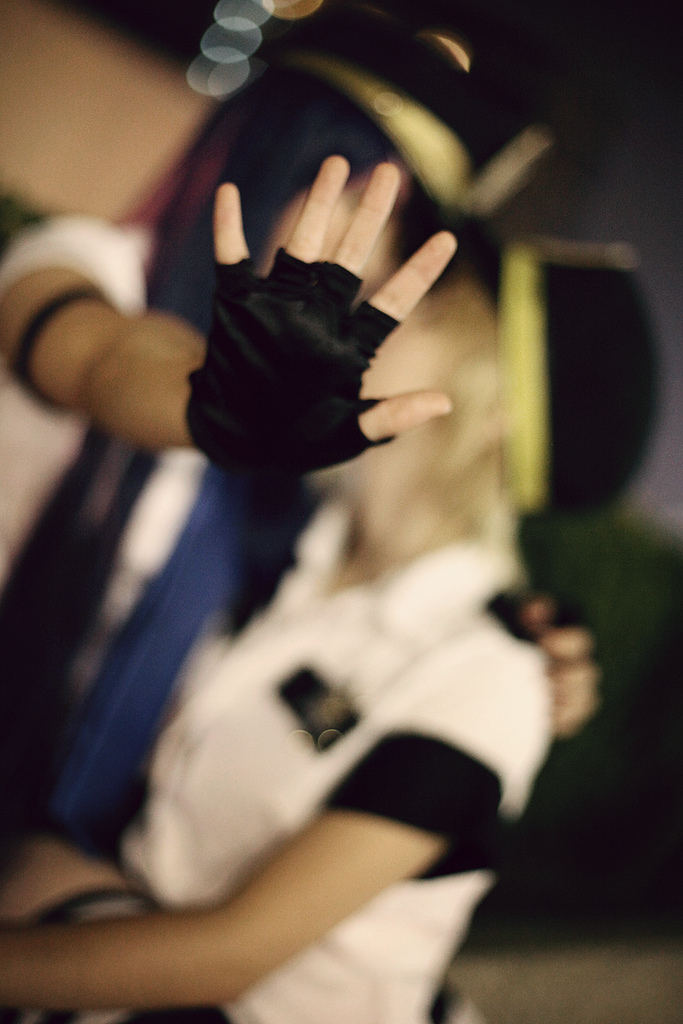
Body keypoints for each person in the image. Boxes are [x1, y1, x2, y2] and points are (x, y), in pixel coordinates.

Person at [0, 1, 648, 1018]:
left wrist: (533, 651)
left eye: (404, 230)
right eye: (344, 186)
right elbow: (101, 360)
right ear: (274, 154)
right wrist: (208, 405)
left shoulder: (309, 499)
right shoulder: (86, 267)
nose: (364, 259)